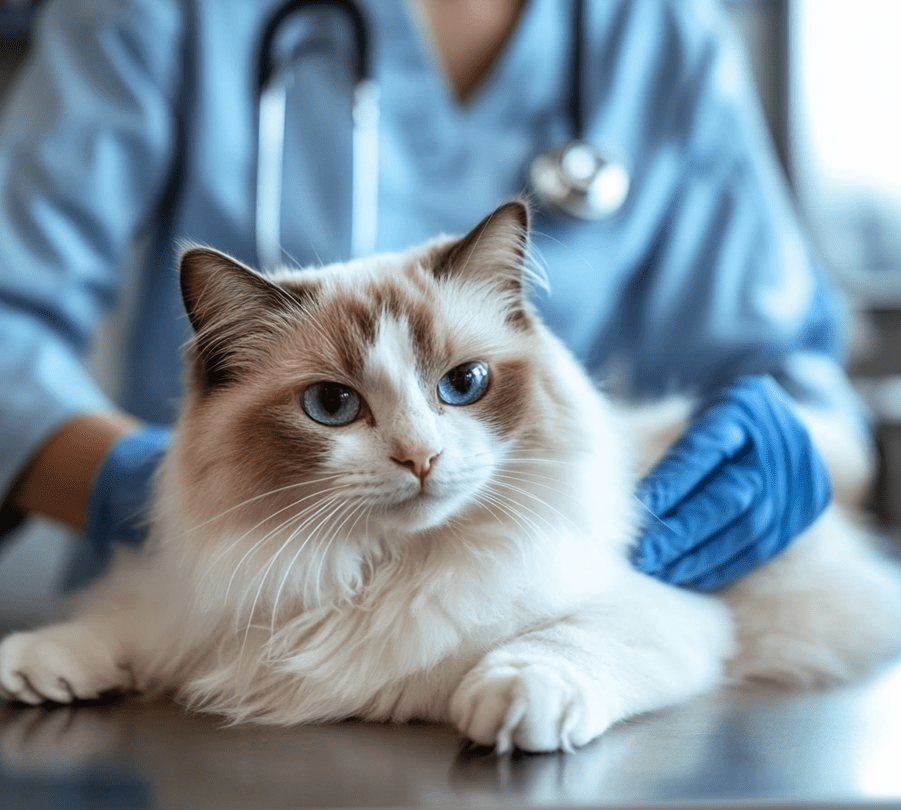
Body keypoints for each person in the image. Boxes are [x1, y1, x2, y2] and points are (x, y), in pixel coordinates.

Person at [0, 0, 871, 595]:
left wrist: (785, 455)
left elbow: (794, 387)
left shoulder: (653, 31)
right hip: (237, 607)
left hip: (514, 600)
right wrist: (154, 496)